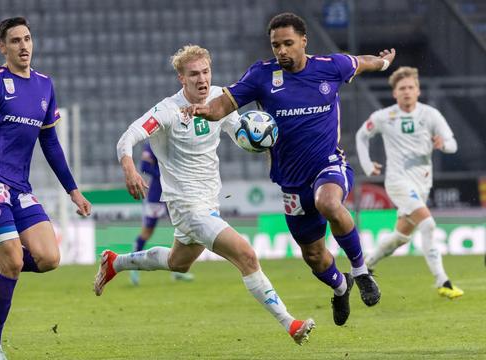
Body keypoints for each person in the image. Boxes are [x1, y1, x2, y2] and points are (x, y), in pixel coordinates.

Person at [94, 44, 315, 345]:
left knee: (178, 263)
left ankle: (114, 263)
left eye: (206, 72)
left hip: (208, 202)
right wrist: (130, 168)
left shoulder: (218, 99)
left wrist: (255, 138)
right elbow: (127, 137)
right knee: (246, 256)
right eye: (194, 74)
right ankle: (290, 323)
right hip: (187, 206)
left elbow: (239, 133)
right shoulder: (167, 111)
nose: (202, 79)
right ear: (181, 78)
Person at [184, 12, 394, 326]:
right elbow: (223, 106)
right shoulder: (261, 76)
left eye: (287, 43)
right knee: (314, 257)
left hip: (329, 164)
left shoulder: (330, 66)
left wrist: (384, 62)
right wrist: (205, 111)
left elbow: (362, 62)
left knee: (329, 202)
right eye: (275, 45)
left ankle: (362, 272)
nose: (281, 50)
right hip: (292, 184)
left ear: (303, 42)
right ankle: (340, 286)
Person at [0, 17, 91, 360]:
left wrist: (73, 191)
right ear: (3, 48)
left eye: (27, 39)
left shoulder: (44, 85)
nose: (23, 46)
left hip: (19, 185)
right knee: (12, 260)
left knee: (50, 258)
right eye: (15, 41)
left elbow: (50, 143)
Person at [355, 66, 463, 299]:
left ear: (418, 90)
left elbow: (453, 143)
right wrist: (366, 164)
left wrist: (442, 144)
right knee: (429, 225)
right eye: (402, 88)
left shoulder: (430, 115)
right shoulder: (384, 117)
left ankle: (365, 267)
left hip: (422, 183)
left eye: (411, 87)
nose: (407, 91)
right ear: (394, 93)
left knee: (401, 237)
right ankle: (443, 281)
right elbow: (361, 136)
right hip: (397, 181)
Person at [129, 142, 194, 286]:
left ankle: (178, 270)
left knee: (182, 229)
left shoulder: (174, 140)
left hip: (173, 193)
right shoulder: (152, 143)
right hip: (156, 194)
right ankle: (133, 267)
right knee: (147, 233)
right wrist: (164, 174)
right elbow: (145, 167)